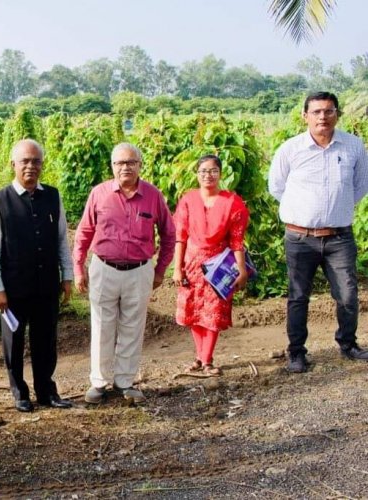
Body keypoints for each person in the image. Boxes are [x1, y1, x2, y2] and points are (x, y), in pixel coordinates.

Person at [269, 91, 368, 373]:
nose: (322, 117)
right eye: (316, 112)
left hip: (339, 237)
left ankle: (348, 344)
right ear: (305, 116)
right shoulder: (291, 149)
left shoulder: (352, 146)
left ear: (337, 113)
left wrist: (336, 210)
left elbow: (360, 186)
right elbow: (277, 187)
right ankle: (297, 353)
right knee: (298, 297)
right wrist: (304, 213)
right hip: (300, 238)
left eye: (328, 111)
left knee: (348, 294)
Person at [74, 143, 175, 404]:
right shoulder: (100, 194)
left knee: (133, 326)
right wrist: (78, 267)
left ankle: (125, 382)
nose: (125, 167)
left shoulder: (153, 196)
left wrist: (160, 270)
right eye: (120, 163)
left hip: (139, 271)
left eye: (131, 162)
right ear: (112, 167)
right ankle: (98, 382)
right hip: (104, 268)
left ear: (140, 165)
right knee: (102, 326)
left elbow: (168, 234)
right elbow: (84, 232)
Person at [0, 139, 74, 412]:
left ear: (42, 165)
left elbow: (61, 239)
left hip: (46, 284)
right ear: (13, 164)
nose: (31, 166)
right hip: (13, 288)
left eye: (36, 161)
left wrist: (66, 276)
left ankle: (46, 390)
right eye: (25, 161)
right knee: (14, 342)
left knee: (46, 341)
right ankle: (19, 393)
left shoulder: (53, 196)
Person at [172, 155, 250, 376]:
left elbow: (237, 240)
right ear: (197, 174)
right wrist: (177, 267)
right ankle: (201, 357)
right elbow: (181, 237)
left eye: (213, 170)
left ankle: (206, 360)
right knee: (194, 311)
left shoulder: (232, 202)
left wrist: (241, 269)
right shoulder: (188, 200)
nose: (208, 175)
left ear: (220, 173)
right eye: (203, 171)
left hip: (219, 266)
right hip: (192, 262)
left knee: (213, 311)